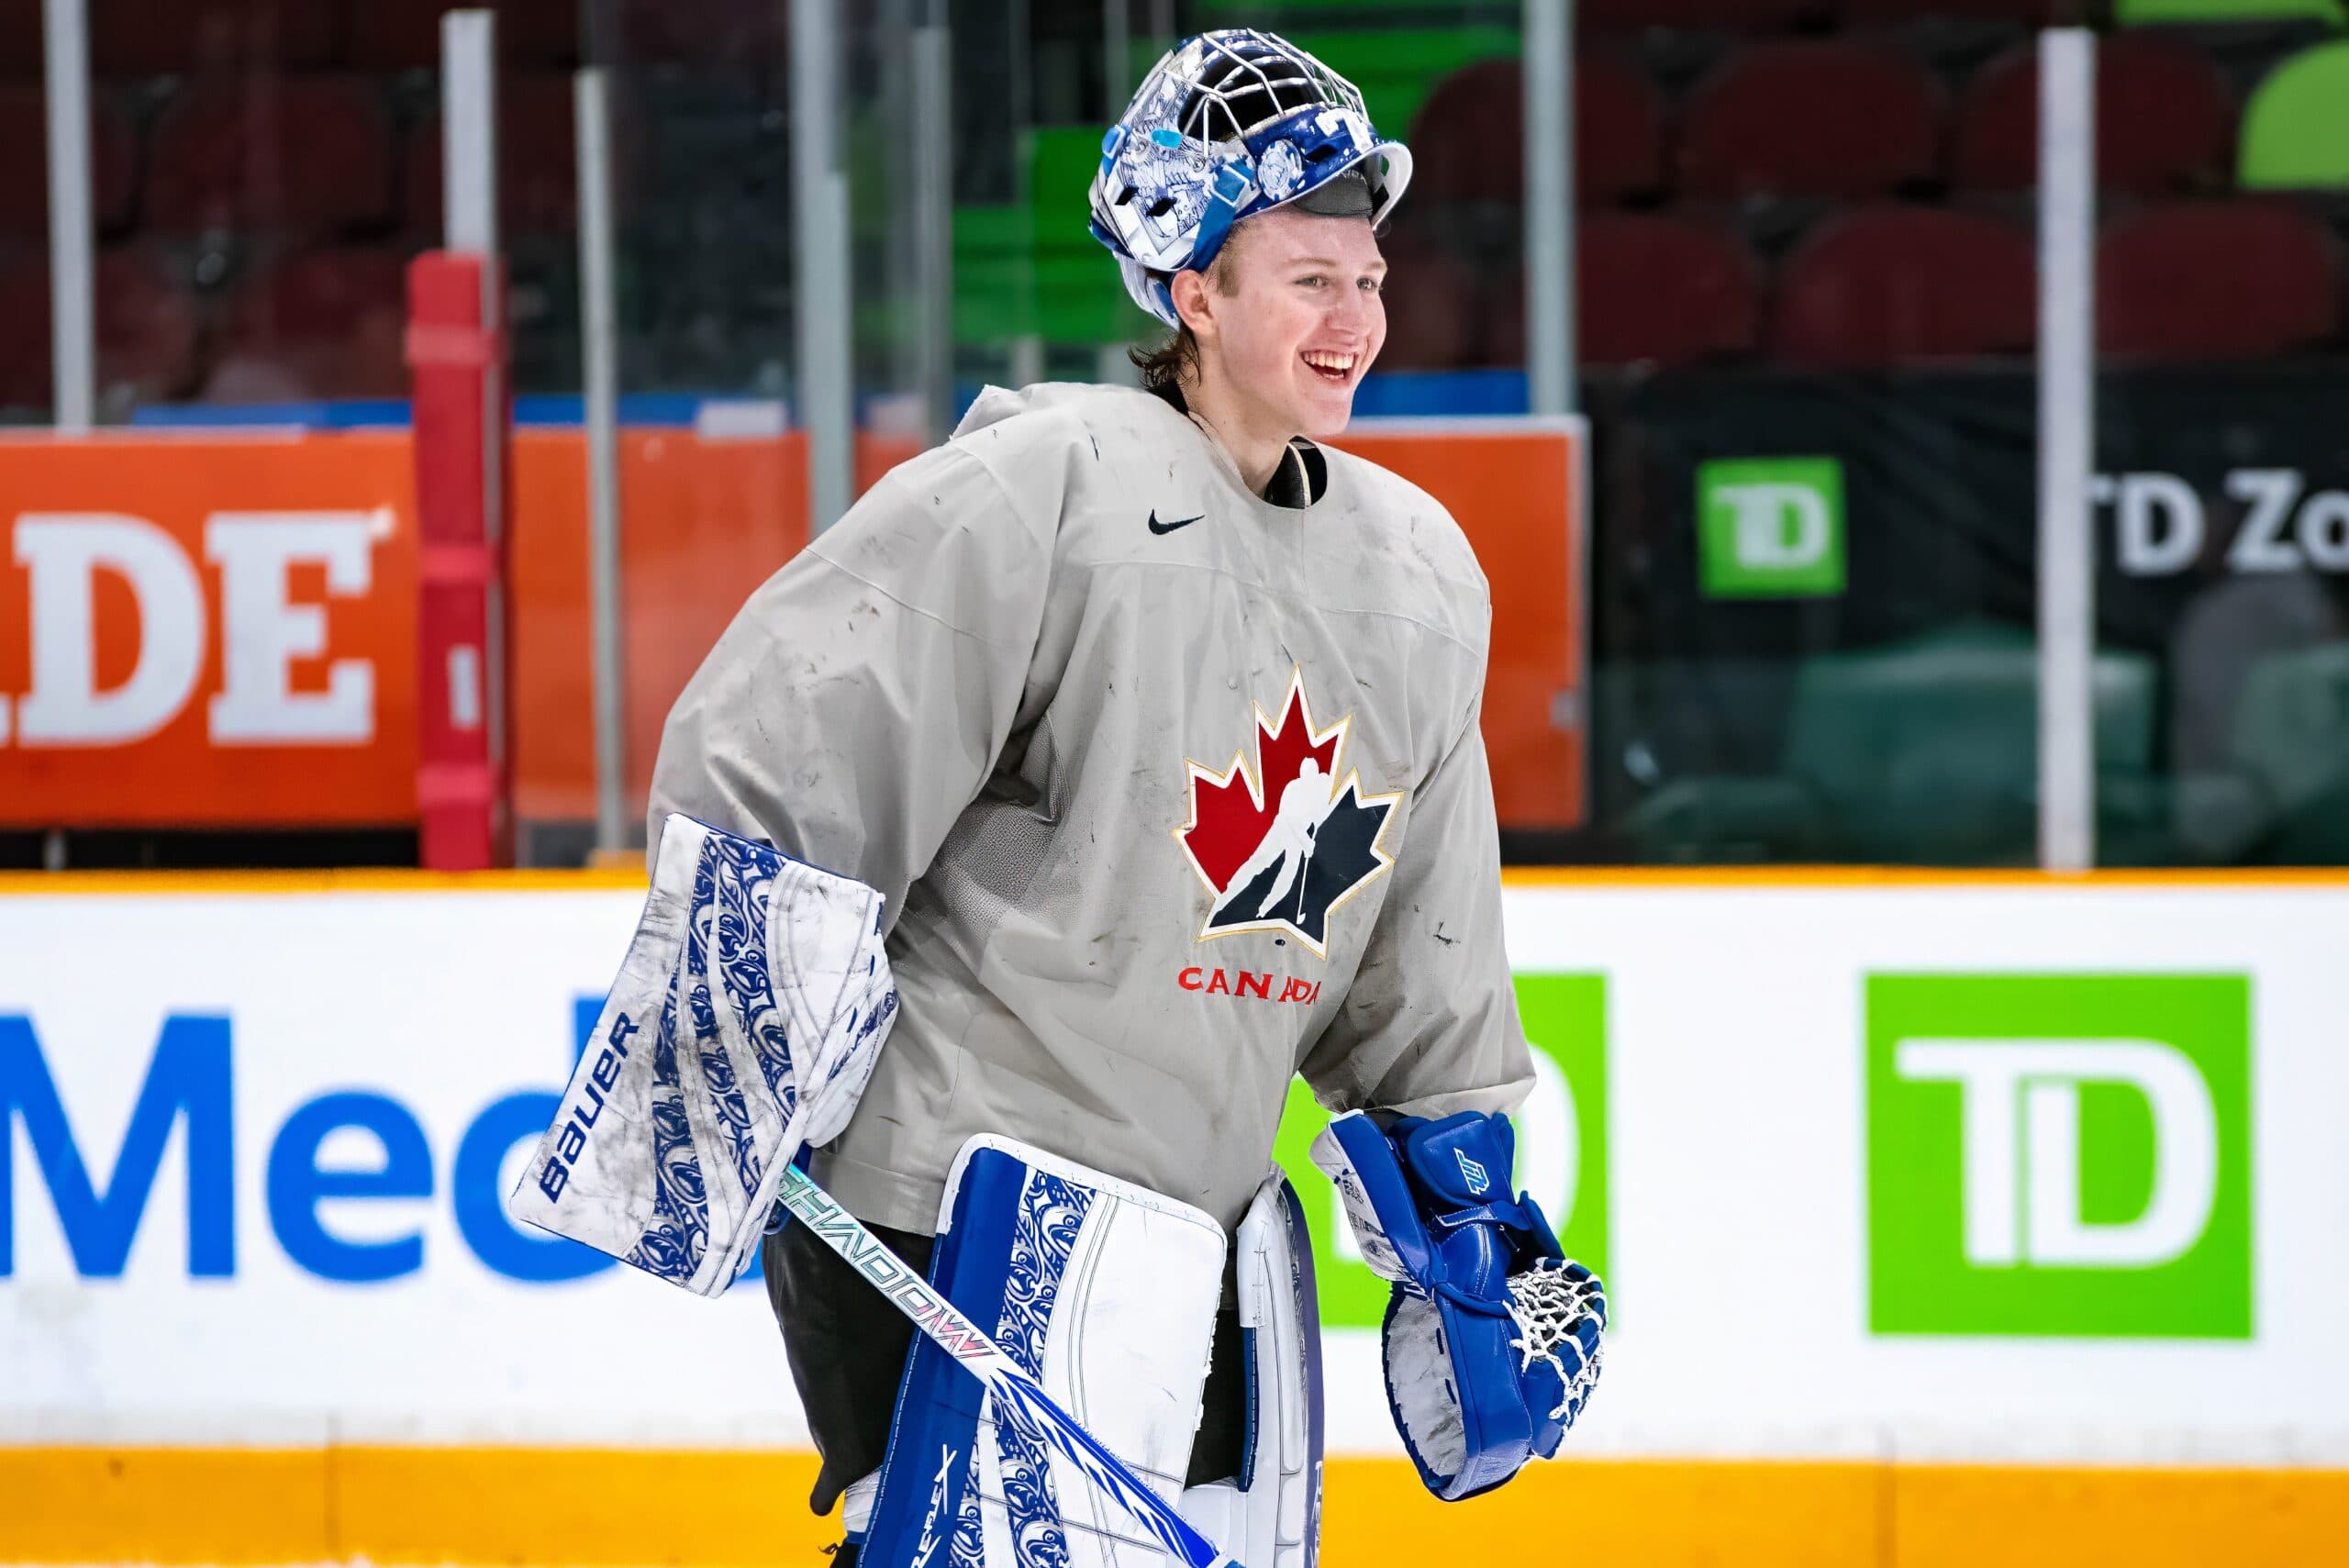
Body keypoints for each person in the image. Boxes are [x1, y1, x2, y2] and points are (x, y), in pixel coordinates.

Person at [646, 29, 1598, 1564]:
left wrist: (1462, 1201)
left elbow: (1423, 927)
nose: (1354, 316)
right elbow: (794, 739)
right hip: (952, 1201)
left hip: (1202, 1244)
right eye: (1305, 277)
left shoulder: (1418, 571)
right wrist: (744, 1029)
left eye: (1366, 275)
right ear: (1193, 291)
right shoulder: (1046, 486)